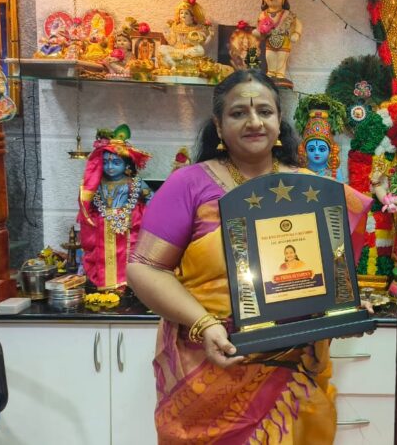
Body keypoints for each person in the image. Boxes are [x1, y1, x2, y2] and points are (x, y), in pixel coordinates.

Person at [127, 69, 372, 443]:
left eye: (265, 111)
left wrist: (343, 311)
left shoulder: (311, 188)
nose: (254, 122)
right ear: (218, 125)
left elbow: (325, 276)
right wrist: (204, 324)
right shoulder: (189, 185)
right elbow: (145, 269)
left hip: (292, 376)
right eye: (239, 112)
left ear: (279, 120)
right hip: (211, 371)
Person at [77, 125, 152, 291]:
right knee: (103, 256)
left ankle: (128, 284)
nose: (110, 167)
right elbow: (88, 205)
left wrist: (143, 216)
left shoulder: (135, 183)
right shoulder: (97, 184)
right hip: (102, 228)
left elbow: (152, 200)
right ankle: (105, 283)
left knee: (128, 255)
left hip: (127, 228)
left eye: (116, 162)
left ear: (126, 165)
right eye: (105, 162)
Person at [256, 0, 302, 88]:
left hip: (284, 42)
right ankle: (271, 73)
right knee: (270, 57)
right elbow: (260, 28)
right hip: (269, 42)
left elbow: (298, 24)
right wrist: (258, 33)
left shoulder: (288, 14)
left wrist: (296, 34)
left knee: (281, 59)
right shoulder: (263, 14)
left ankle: (280, 75)